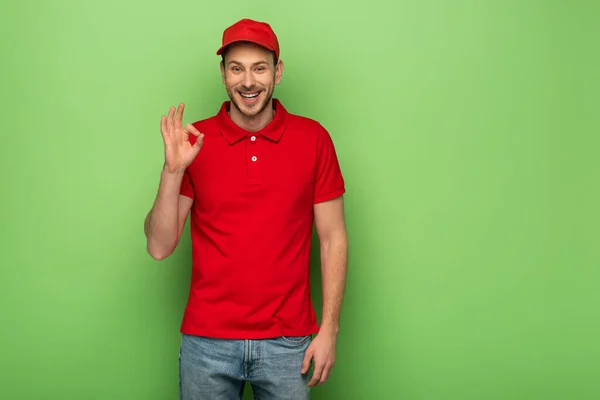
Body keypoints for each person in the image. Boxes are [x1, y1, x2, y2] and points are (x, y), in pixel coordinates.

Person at [144, 18, 348, 400]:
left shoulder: (314, 139)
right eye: (237, 68)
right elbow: (159, 247)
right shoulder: (194, 143)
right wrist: (173, 171)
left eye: (260, 68)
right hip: (207, 345)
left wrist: (329, 331)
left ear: (278, 72)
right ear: (223, 74)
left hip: (289, 344)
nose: (248, 81)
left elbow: (333, 239)